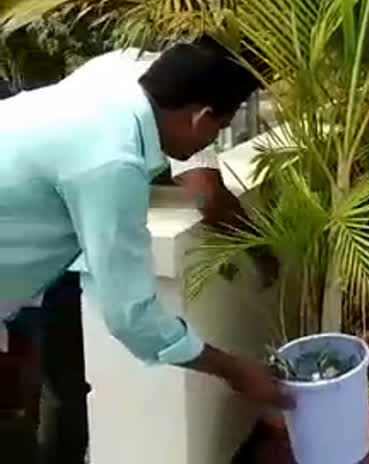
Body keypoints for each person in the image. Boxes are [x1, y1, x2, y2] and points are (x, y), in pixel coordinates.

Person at [0, 38, 292, 464]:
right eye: (219, 128)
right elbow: (130, 314)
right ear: (201, 117)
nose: (212, 140)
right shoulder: (111, 160)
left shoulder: (111, 94)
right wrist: (235, 370)